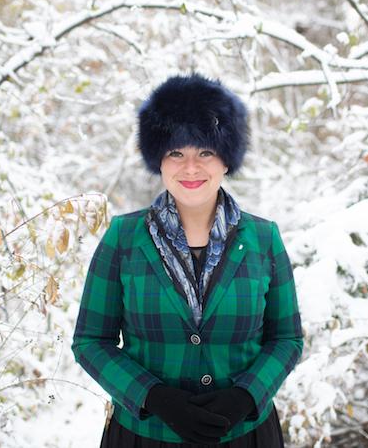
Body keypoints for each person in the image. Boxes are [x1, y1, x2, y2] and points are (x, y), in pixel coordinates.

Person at [71, 73, 304, 447]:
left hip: (245, 435)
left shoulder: (264, 239)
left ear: (227, 159)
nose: (190, 167)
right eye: (176, 152)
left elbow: (287, 338)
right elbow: (90, 341)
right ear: (158, 161)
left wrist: (246, 395)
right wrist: (153, 397)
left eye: (205, 152)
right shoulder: (124, 238)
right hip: (143, 436)